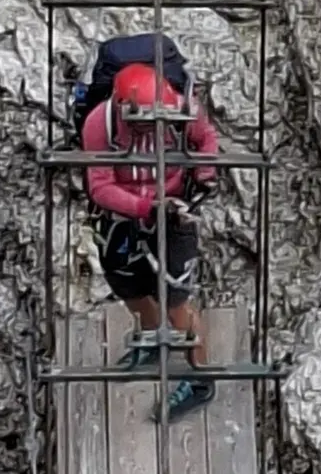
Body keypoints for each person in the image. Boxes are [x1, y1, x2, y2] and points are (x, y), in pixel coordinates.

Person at [80, 59, 221, 419]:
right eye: (141, 121)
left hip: (174, 209)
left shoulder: (182, 109)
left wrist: (205, 174)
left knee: (176, 297)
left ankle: (199, 377)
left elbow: (205, 137)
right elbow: (99, 186)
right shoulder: (100, 124)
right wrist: (145, 207)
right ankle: (150, 335)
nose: (150, 127)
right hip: (124, 214)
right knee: (129, 286)